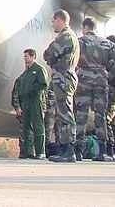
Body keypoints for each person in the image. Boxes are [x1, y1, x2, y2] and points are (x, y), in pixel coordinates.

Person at [74, 17, 115, 161]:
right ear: (95, 28)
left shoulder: (79, 41)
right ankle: (102, 152)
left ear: (85, 28)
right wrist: (110, 74)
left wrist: (76, 70)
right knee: (100, 116)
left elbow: (70, 57)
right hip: (101, 81)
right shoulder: (106, 43)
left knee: (81, 115)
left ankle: (77, 151)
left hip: (83, 80)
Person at [43, 9, 80, 162]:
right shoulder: (68, 36)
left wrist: (50, 56)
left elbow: (49, 54)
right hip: (63, 77)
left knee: (65, 113)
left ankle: (69, 150)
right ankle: (65, 148)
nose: (53, 24)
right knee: (63, 113)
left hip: (63, 77)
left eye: (54, 21)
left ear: (60, 20)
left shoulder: (65, 36)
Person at [16, 49, 49, 159]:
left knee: (38, 126)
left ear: (33, 56)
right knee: (26, 127)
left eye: (26, 56)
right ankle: (28, 152)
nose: (25, 58)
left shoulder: (39, 69)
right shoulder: (26, 73)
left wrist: (32, 91)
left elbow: (43, 84)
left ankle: (40, 152)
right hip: (26, 102)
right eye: (24, 56)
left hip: (35, 100)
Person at [11, 71, 26, 159]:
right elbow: (15, 95)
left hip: (31, 109)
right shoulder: (20, 80)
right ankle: (23, 152)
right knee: (23, 132)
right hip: (23, 109)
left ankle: (32, 152)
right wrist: (17, 107)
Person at [44, 79, 58, 158]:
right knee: (49, 129)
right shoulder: (52, 83)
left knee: (57, 130)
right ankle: (47, 150)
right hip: (52, 110)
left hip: (57, 110)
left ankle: (58, 149)